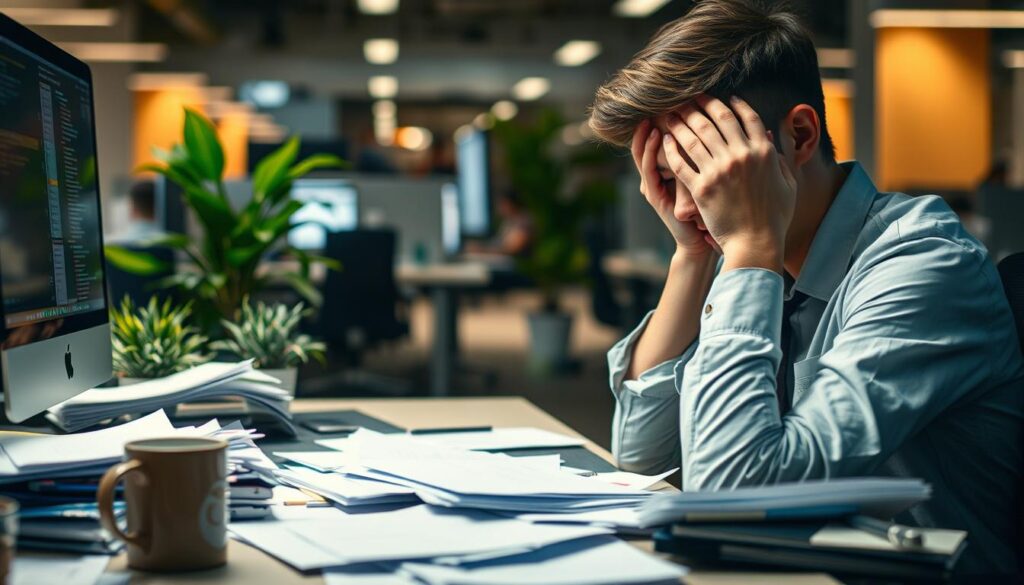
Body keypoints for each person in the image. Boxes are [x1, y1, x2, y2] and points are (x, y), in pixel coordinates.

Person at [589, 0, 1024, 574]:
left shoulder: (925, 265)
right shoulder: (755, 252)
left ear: (797, 135)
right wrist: (691, 256)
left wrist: (746, 251)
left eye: (707, 173)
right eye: (672, 180)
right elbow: (641, 454)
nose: (692, 204)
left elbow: (732, 499)